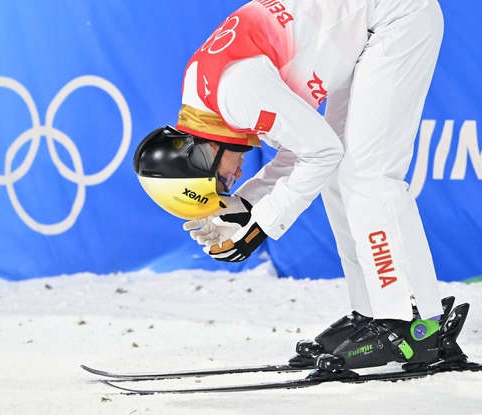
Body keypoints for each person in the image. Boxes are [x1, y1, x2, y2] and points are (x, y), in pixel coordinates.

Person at [133, 0, 450, 370]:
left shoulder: (239, 92)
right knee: (340, 173)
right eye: (227, 188)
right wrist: (245, 205)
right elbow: (306, 149)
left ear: (203, 157)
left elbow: (321, 151)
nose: (233, 180)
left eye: (222, 183)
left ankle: (412, 323)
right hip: (368, 24)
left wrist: (261, 226)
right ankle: (373, 310)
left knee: (367, 174)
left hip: (397, 16)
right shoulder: (204, 97)